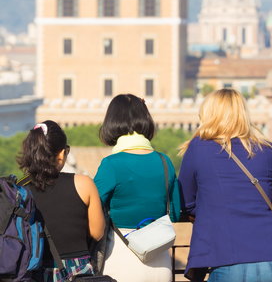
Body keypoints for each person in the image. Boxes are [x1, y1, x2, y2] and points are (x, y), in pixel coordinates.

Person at [178, 89, 272, 282]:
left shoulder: (198, 148)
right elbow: (265, 196)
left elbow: (186, 201)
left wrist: (212, 206)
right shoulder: (266, 149)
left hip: (229, 257)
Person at [94, 94, 181, 282]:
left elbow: (90, 209)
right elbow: (174, 212)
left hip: (121, 257)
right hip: (161, 261)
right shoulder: (165, 162)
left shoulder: (111, 164)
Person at [18, 120, 106, 281]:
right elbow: (97, 232)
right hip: (77, 271)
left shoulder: (18, 190)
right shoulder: (84, 183)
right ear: (61, 154)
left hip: (33, 271)